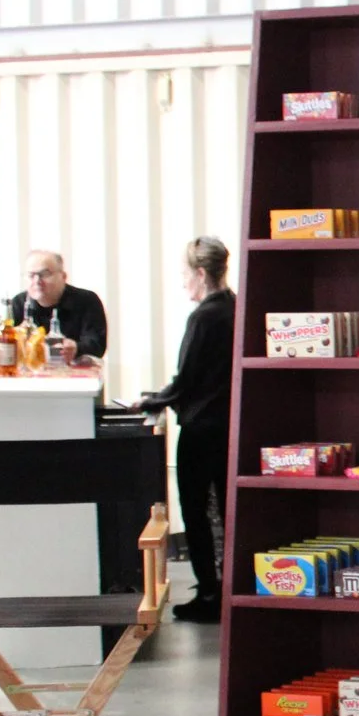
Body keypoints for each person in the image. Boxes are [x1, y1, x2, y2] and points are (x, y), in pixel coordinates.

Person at [138, 238, 235, 623]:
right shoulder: (236, 308)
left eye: (183, 275)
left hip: (200, 428)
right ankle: (229, 586)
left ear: (199, 273)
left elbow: (187, 378)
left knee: (193, 511)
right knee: (228, 511)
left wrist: (151, 401)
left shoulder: (203, 318)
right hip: (230, 425)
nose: (182, 284)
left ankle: (208, 593)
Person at [6, 249, 109, 367]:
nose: (37, 281)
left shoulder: (87, 300)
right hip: (31, 378)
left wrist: (76, 348)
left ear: (63, 276)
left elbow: (97, 344)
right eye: (31, 275)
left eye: (44, 274)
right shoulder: (18, 303)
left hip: (77, 379)